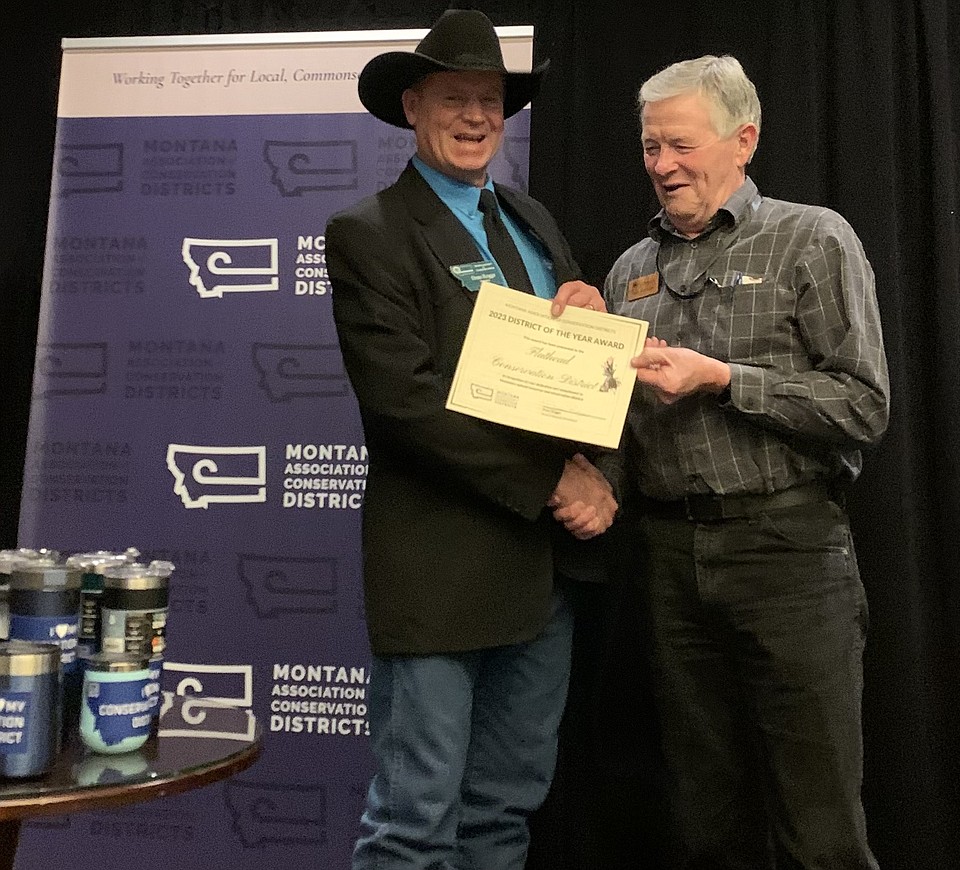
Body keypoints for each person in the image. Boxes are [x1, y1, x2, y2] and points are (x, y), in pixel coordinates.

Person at [324, 10, 616, 869]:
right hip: (441, 574)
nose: (477, 117)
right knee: (415, 823)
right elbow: (405, 402)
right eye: (455, 97)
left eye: (490, 99)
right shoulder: (368, 233)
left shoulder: (532, 220)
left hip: (544, 576)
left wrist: (590, 319)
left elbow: (565, 373)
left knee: (502, 814)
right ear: (413, 107)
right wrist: (554, 482)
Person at [603, 55, 889, 869]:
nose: (662, 165)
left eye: (681, 145)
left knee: (820, 823)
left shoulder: (813, 238)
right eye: (652, 147)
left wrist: (725, 380)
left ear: (744, 140)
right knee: (703, 819)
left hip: (789, 553)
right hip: (668, 561)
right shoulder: (628, 271)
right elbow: (620, 419)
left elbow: (864, 409)